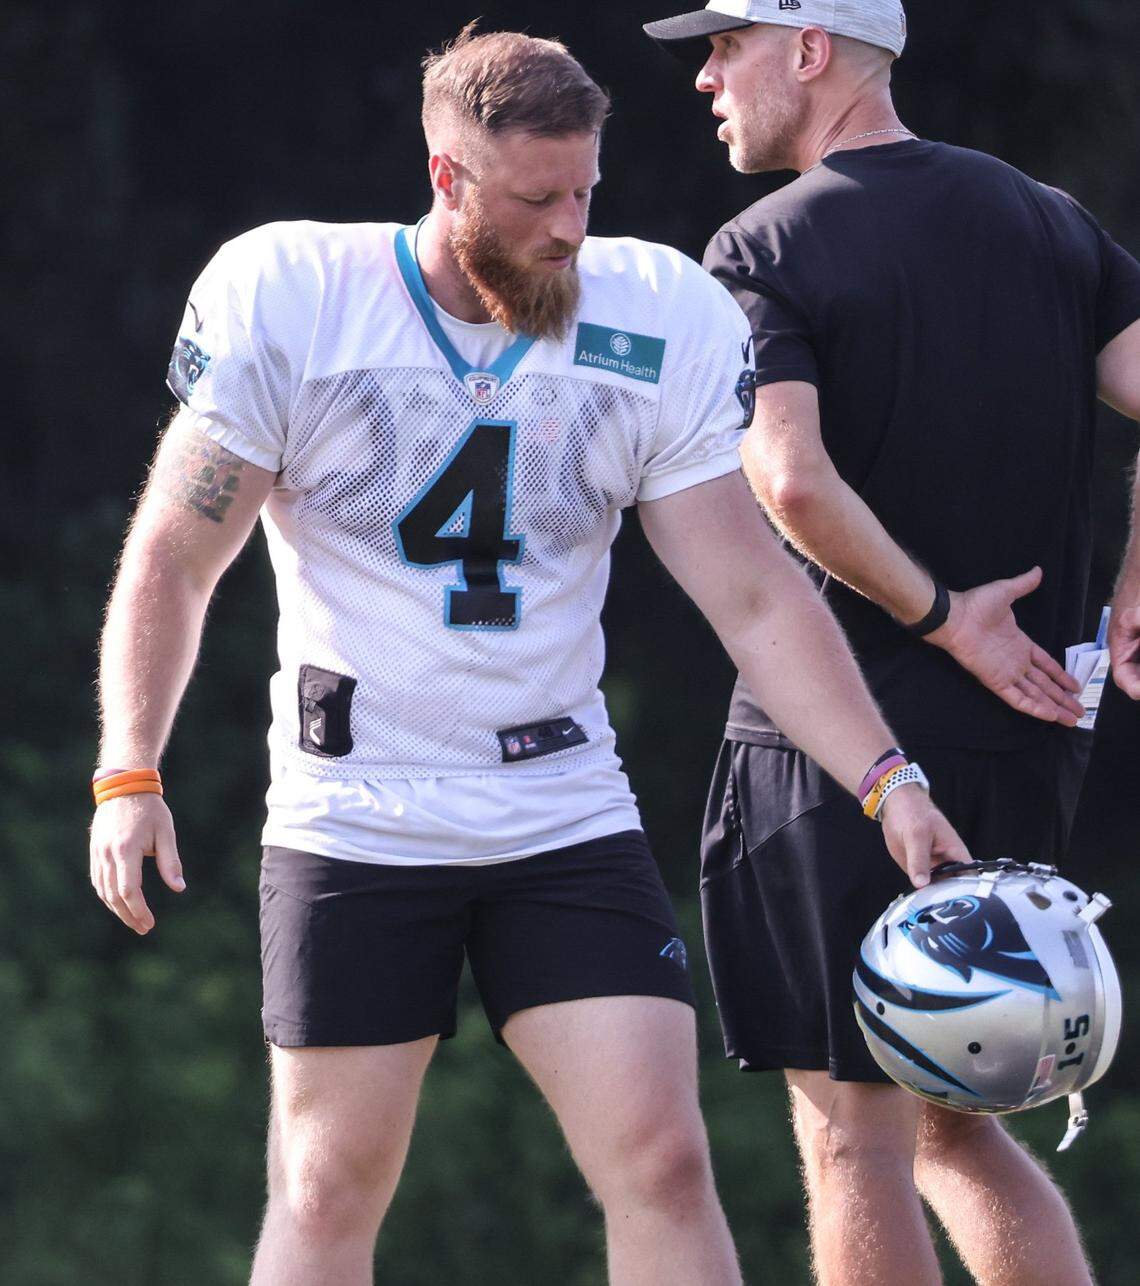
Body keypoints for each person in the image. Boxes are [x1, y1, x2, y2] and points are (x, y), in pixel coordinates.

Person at [89, 24, 968, 1286]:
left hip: (557, 802)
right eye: (537, 197)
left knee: (664, 1159)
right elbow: (176, 557)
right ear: (448, 179)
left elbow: (755, 597)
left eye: (585, 191)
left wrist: (890, 780)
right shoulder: (293, 298)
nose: (569, 227)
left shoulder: (648, 312)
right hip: (359, 811)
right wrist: (131, 769)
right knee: (327, 1182)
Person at [643, 2, 1140, 1284]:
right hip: (1031, 735)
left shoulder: (762, 242)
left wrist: (939, 617)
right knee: (958, 1130)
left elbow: (790, 481)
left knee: (851, 1137)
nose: (706, 77)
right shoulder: (1049, 217)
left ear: (810, 52)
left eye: (726, 45)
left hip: (842, 746)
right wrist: (1132, 586)